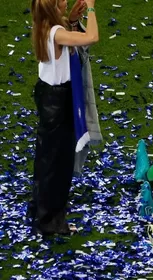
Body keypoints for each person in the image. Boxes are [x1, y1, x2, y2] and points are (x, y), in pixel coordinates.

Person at [28, 0, 99, 235]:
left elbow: (62, 41)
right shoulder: (57, 33)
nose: (66, 1)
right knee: (59, 164)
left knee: (46, 158)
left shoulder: (43, 26)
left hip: (47, 95)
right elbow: (92, 37)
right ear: (53, 7)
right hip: (59, 101)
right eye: (61, 1)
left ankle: (39, 209)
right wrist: (90, 8)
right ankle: (51, 222)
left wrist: (71, 20)